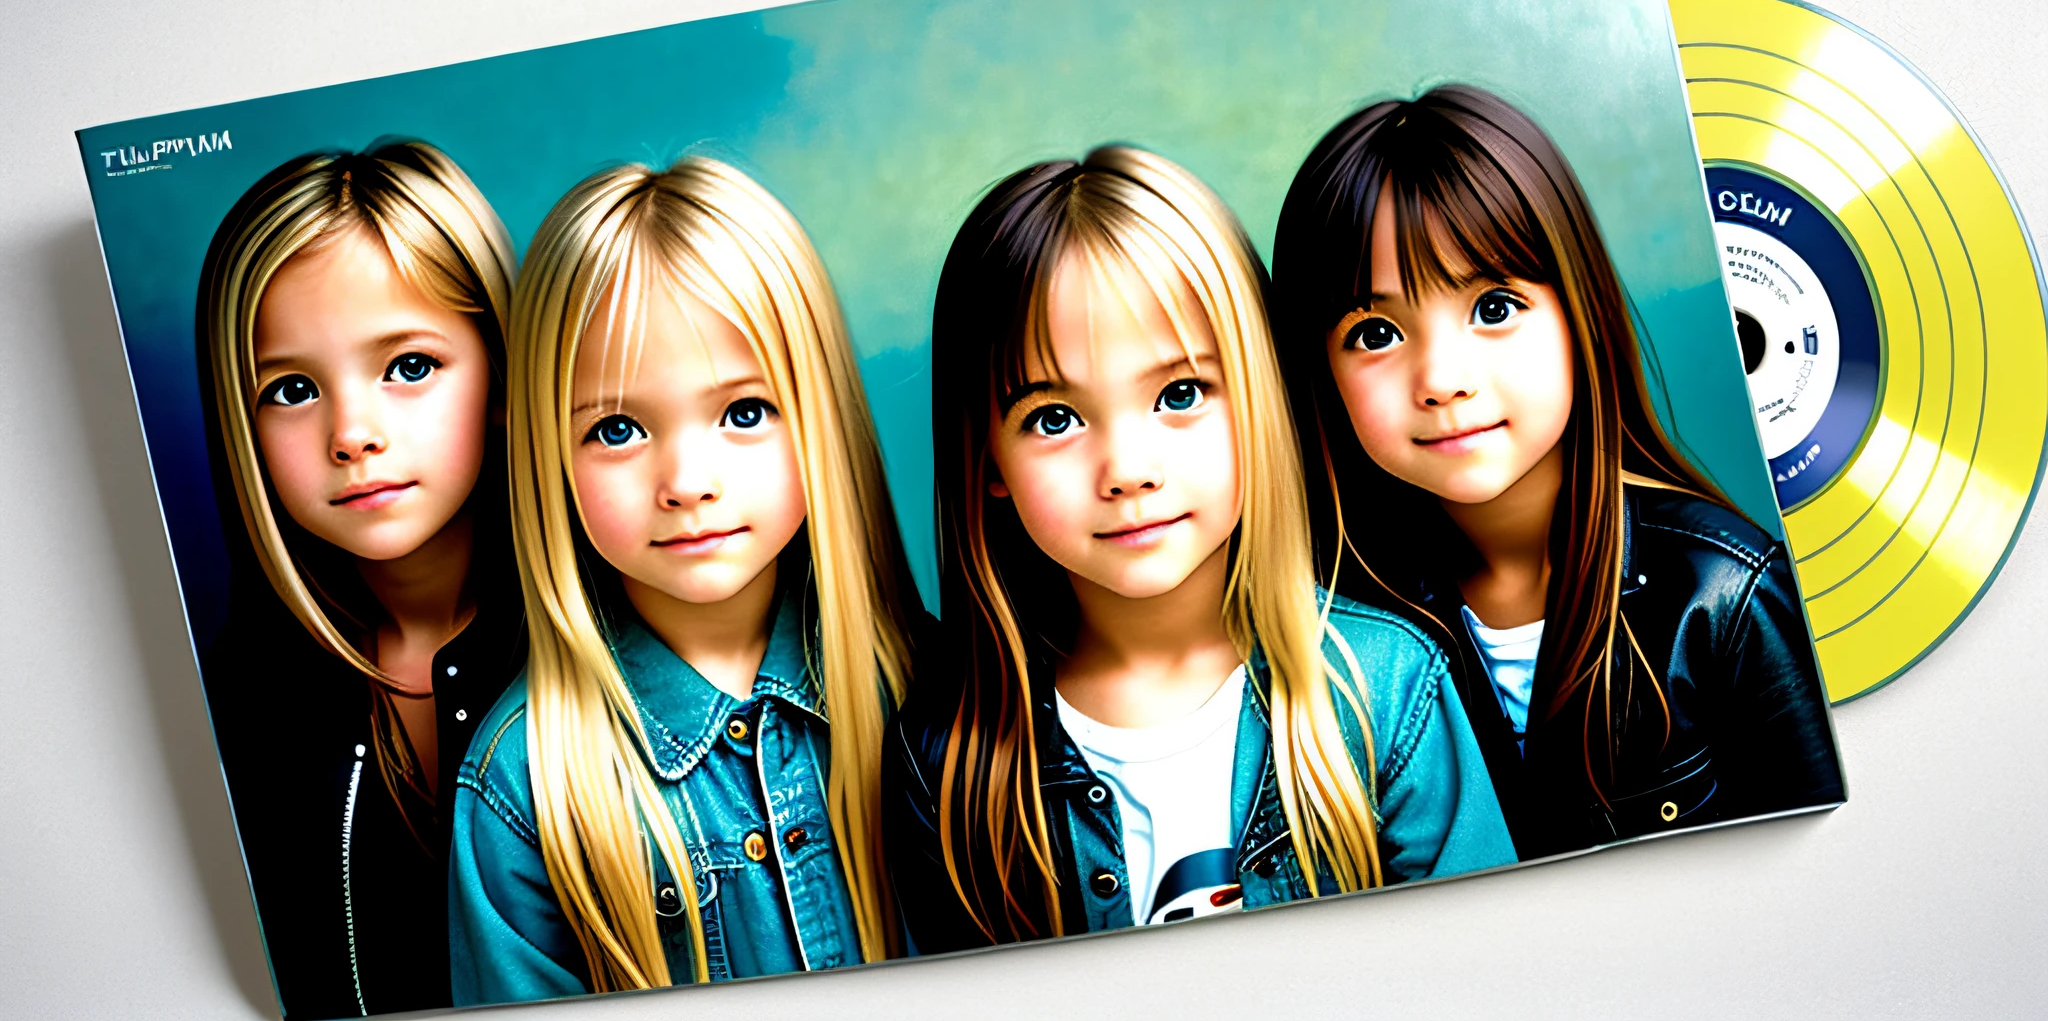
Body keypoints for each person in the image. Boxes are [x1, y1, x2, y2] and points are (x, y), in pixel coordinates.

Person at [886, 146, 1513, 954]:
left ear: (1260, 398)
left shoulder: (1387, 691)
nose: (1128, 471)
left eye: (1179, 395)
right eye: (1053, 419)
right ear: (987, 462)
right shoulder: (950, 764)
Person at [1269, 85, 1845, 860]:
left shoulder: (1721, 595)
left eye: (1496, 307)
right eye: (1375, 332)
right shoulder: (1344, 627)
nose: (1442, 378)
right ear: (1320, 377)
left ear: (1581, 311)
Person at [448, 157, 920, 1001]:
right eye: (618, 428)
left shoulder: (929, 691)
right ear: (547, 451)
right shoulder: (520, 789)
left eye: (745, 413)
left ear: (822, 413)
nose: (687, 481)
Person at [196, 140, 525, 1017]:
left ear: (500, 367)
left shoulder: (616, 635)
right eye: (292, 390)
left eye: (409, 367)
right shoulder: (239, 701)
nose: (352, 433)